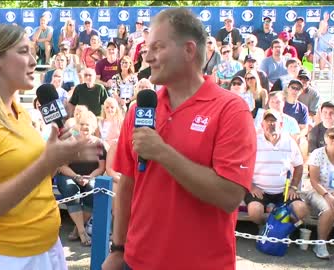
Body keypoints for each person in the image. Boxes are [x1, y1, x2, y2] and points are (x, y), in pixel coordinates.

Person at [102, 8, 257, 270]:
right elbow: (127, 184)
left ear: (188, 50)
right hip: (135, 261)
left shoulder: (231, 109)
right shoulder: (140, 109)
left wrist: (162, 152)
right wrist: (118, 248)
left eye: (157, 47)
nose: (147, 56)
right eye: (146, 48)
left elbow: (229, 195)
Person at [0, 24, 101, 270]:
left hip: (46, 246)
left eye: (33, 51)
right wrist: (47, 162)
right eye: (23, 51)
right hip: (3, 257)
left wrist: (58, 157)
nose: (33, 60)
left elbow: (37, 180)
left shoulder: (20, 113)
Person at [244, 110, 308, 228]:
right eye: (267, 121)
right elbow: (242, 165)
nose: (270, 124)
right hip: (259, 191)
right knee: (254, 212)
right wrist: (251, 186)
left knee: (302, 209)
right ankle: (269, 226)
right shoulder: (253, 142)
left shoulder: (290, 142)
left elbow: (299, 166)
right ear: (262, 125)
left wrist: (293, 187)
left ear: (281, 125)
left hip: (284, 191)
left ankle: (278, 225)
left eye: (274, 121)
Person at [56, 110, 106, 247]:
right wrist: (76, 176)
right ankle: (83, 232)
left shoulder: (99, 144)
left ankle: (77, 229)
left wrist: (89, 177)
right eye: (82, 124)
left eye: (88, 124)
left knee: (91, 190)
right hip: (69, 175)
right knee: (71, 189)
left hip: (90, 177)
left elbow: (101, 168)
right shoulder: (71, 142)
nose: (85, 127)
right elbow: (62, 166)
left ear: (94, 127)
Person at [303, 125, 334, 262]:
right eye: (332, 136)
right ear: (326, 139)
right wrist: (328, 196)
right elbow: (314, 181)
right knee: (331, 208)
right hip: (320, 192)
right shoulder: (317, 154)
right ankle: (320, 244)